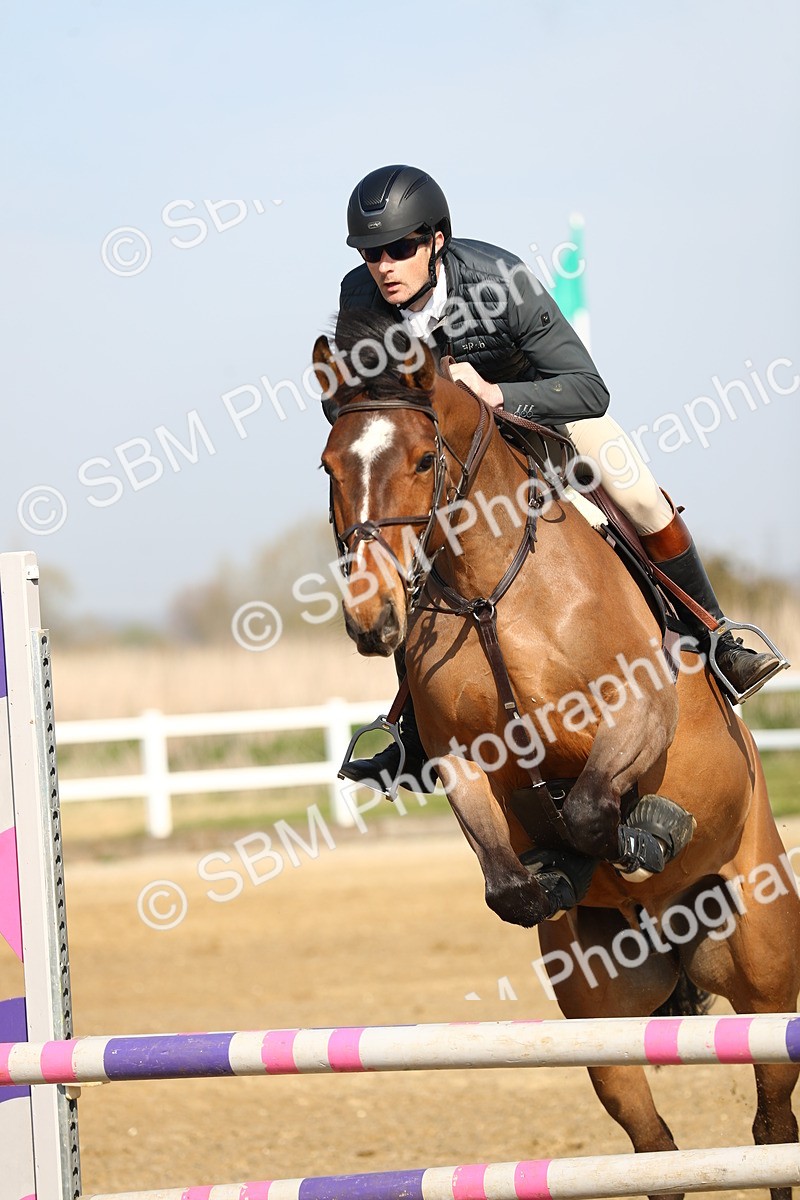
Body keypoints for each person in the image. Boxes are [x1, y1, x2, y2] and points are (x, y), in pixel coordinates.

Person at [326, 164, 784, 817]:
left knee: (641, 495)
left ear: (436, 241)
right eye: (372, 253)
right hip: (455, 458)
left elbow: (589, 387)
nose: (385, 265)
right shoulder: (359, 297)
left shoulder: (499, 281)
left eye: (400, 248)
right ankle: (410, 730)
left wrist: (497, 393)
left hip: (546, 415)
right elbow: (366, 401)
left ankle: (715, 635)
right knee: (407, 553)